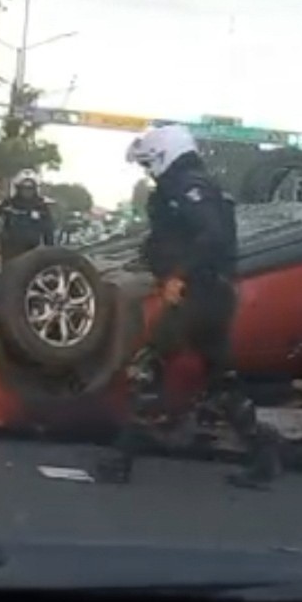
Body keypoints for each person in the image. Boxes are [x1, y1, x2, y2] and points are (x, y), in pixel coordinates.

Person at [100, 125, 267, 487]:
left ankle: (122, 457)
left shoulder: (188, 187)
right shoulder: (200, 185)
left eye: (150, 163)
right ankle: (264, 457)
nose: (149, 172)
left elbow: (212, 235)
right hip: (214, 294)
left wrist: (179, 274)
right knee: (221, 381)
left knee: (147, 367)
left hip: (198, 294)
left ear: (165, 154)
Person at [0, 169, 56, 263]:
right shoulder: (8, 205)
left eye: (30, 188)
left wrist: (49, 251)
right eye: (24, 188)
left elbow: (49, 230)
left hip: (34, 253)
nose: (27, 191)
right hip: (10, 253)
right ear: (18, 188)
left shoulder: (41, 207)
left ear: (35, 189)